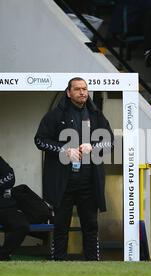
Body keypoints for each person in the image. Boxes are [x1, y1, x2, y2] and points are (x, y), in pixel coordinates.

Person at [34, 77, 114, 261]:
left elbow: (110, 142)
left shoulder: (96, 115)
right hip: (63, 183)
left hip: (89, 183)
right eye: (77, 89)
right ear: (69, 93)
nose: (82, 92)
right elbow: (39, 140)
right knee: (61, 226)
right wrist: (64, 150)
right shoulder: (55, 115)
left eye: (84, 89)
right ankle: (59, 262)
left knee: (91, 226)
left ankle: (92, 263)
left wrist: (93, 148)